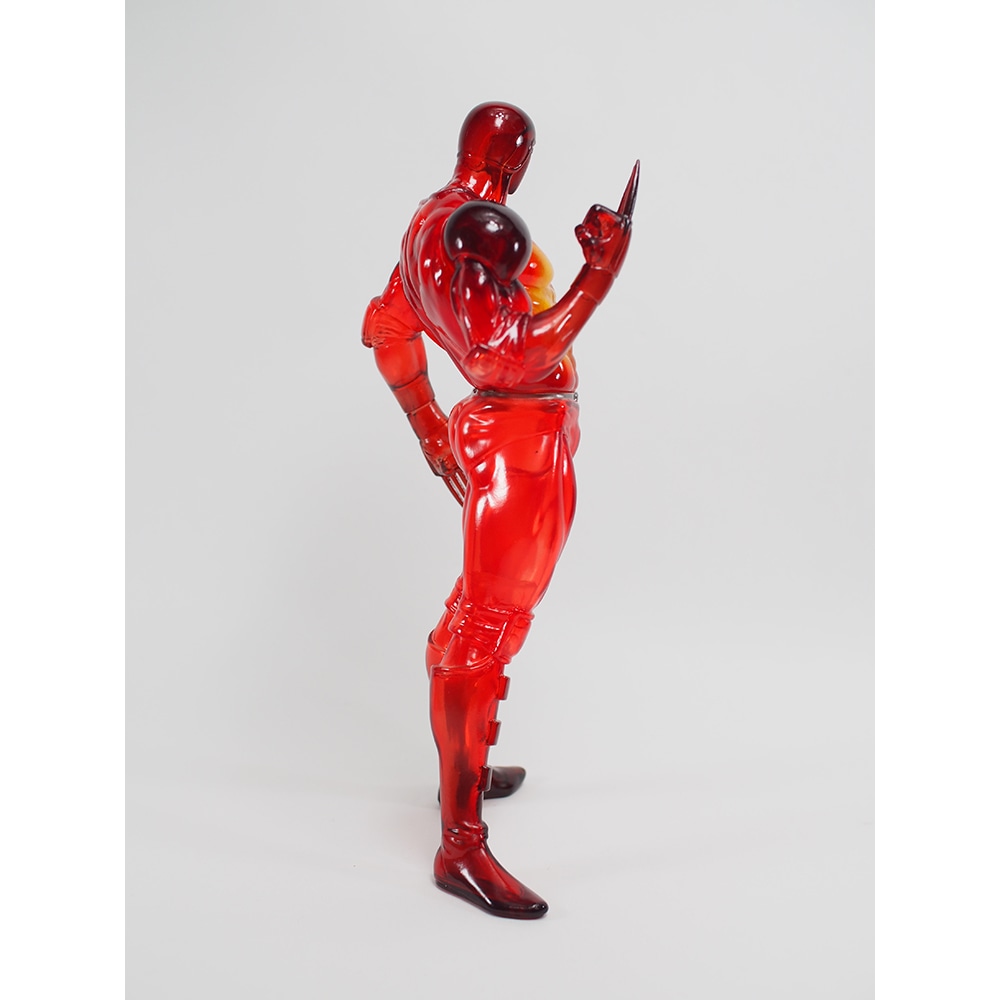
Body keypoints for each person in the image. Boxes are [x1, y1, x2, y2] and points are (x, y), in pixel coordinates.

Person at [362, 102, 637, 918]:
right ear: (516, 161)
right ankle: (461, 844)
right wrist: (598, 274)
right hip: (519, 441)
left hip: (510, 438)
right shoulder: (476, 231)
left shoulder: (430, 224)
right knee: (484, 630)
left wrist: (430, 429)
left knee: (474, 621)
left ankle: (466, 771)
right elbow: (503, 359)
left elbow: (387, 327)